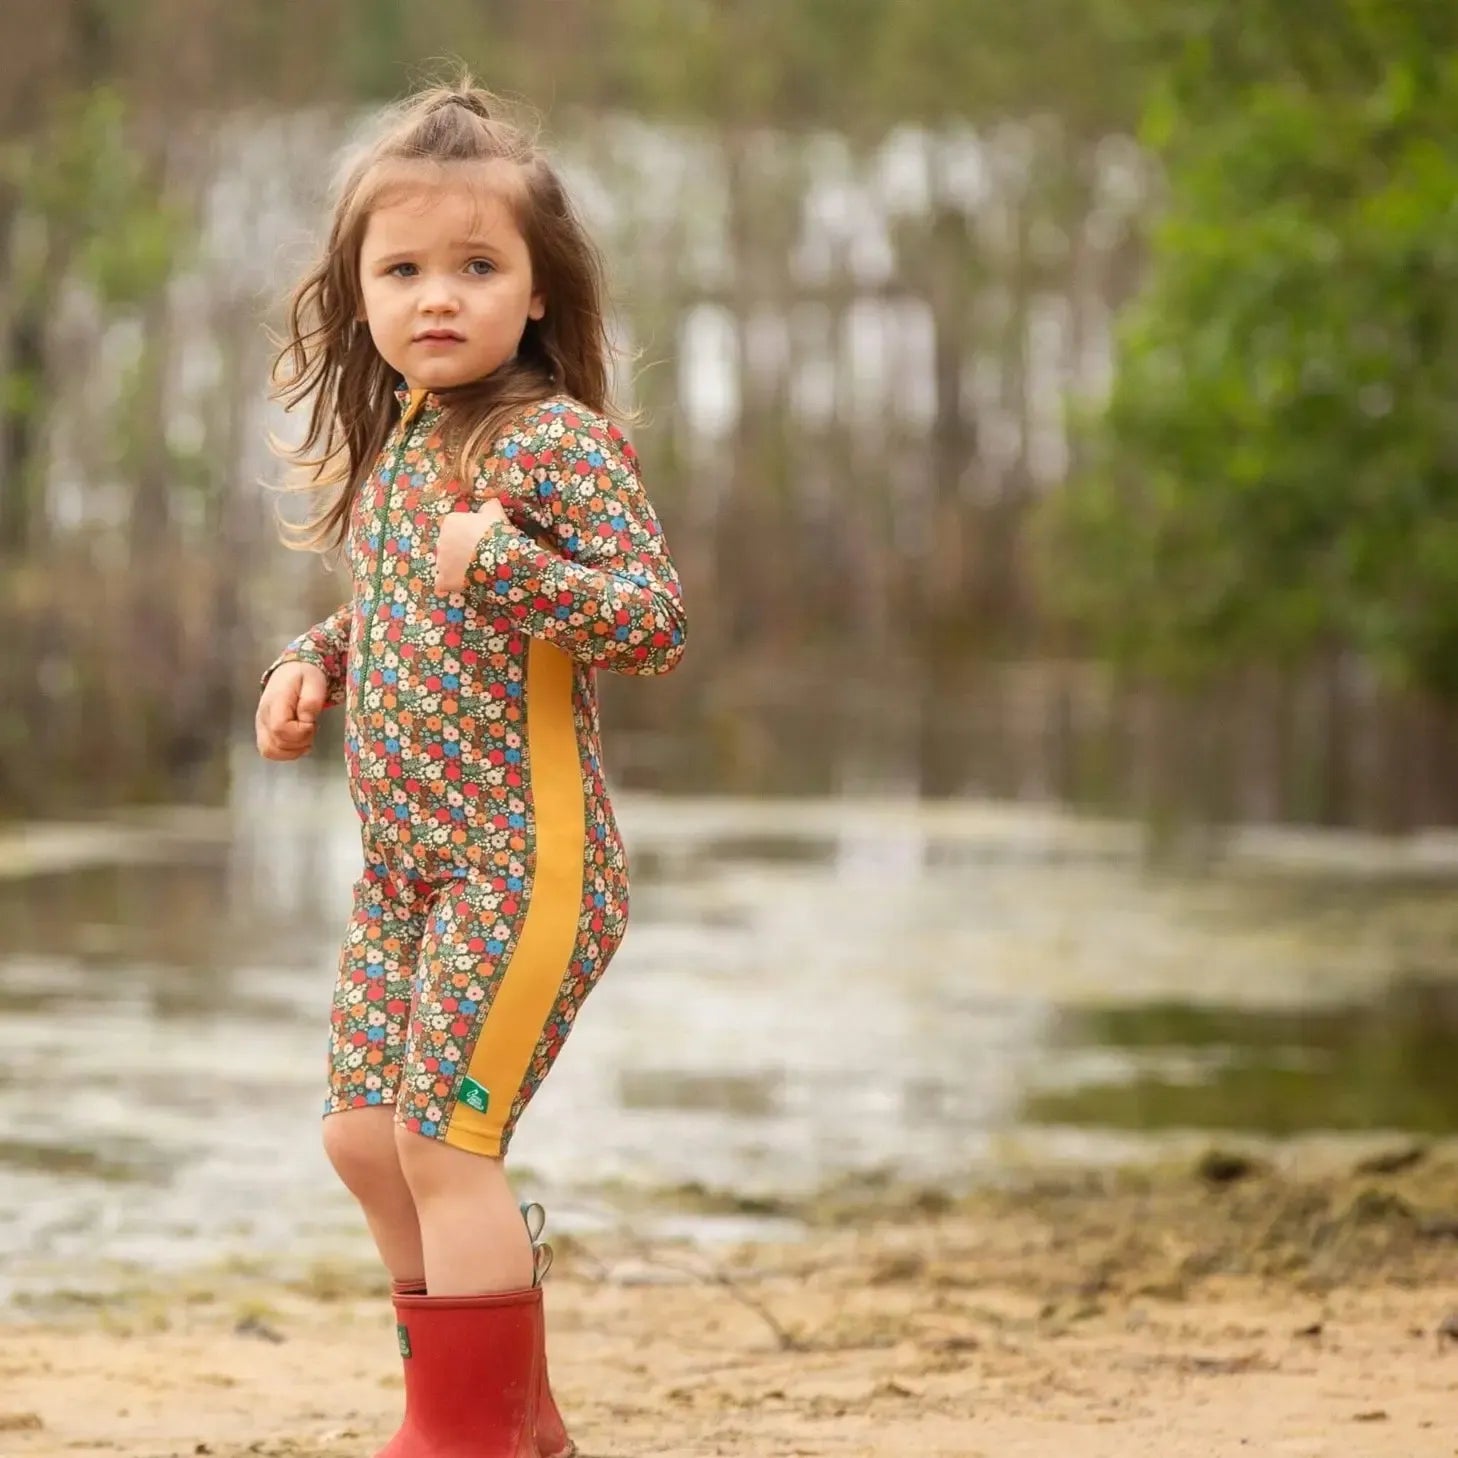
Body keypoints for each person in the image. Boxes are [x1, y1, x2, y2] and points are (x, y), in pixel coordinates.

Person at [253, 75, 687, 1458]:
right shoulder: (405, 455)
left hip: (527, 862)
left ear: (537, 292)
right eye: (403, 269)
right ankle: (512, 1414)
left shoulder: (555, 443)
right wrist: (310, 659)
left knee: (447, 1141)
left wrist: (500, 562)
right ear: (358, 293)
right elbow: (394, 606)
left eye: (475, 266)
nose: (436, 296)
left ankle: (466, 1436)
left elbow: (653, 621)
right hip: (404, 869)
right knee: (362, 1138)